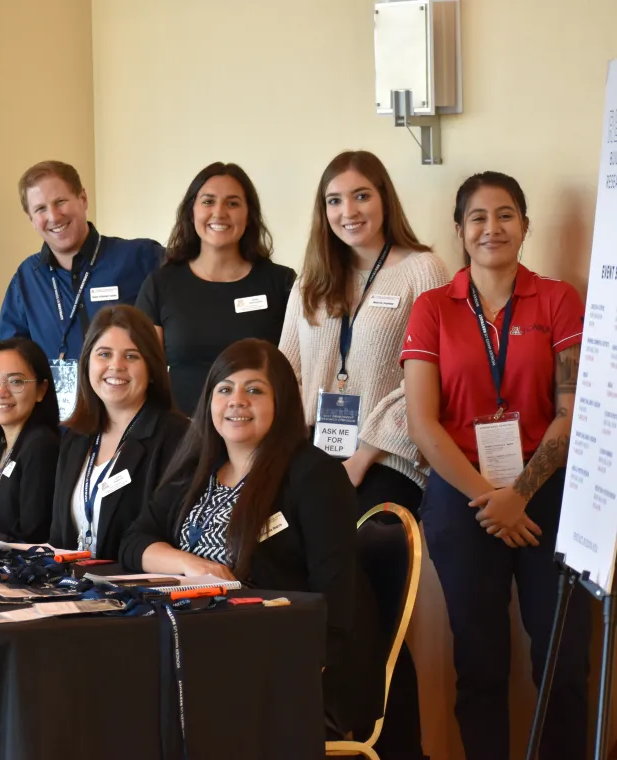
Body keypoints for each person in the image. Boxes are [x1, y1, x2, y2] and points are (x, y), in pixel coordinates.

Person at [403, 172, 589, 760]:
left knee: (564, 660)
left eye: (505, 214)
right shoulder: (433, 308)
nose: (492, 228)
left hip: (550, 491)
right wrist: (491, 496)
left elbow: (571, 410)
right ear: (459, 231)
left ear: (526, 226)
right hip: (463, 497)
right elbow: (423, 424)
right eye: (478, 217)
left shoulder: (558, 300)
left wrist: (521, 493)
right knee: (479, 662)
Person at [120, 339, 384, 737]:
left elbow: (334, 595)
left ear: (282, 403)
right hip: (194, 647)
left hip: (280, 660)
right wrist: (194, 566)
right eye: (224, 389)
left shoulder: (314, 475)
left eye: (255, 390)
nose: (236, 401)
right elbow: (134, 541)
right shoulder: (196, 469)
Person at [278, 150, 444, 759]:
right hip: (315, 463)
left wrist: (366, 453)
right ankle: (320, 729)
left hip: (387, 464)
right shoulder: (313, 279)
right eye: (334, 201)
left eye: (361, 196)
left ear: (384, 199)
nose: (349, 212)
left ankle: (393, 741)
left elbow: (425, 379)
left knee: (371, 602)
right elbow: (288, 371)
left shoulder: (420, 270)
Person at [0, 160, 164, 452]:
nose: (53, 216)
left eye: (61, 201)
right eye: (40, 209)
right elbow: (10, 362)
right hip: (58, 436)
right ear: (30, 217)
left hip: (131, 427)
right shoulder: (27, 278)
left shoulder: (139, 258)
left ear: (83, 198)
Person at [136, 162, 296, 414]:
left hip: (259, 433)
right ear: (192, 211)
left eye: (232, 203)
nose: (219, 212)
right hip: (182, 434)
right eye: (208, 202)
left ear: (249, 214)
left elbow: (295, 371)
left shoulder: (282, 283)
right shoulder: (160, 284)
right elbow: (144, 372)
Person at [49, 305, 187, 559]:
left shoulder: (177, 438)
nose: (116, 366)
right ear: (87, 364)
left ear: (152, 369)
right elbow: (59, 537)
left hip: (136, 593)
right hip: (73, 589)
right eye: (104, 354)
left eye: (131, 356)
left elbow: (163, 534)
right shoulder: (75, 438)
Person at [0, 338, 60, 543]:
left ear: (41, 390)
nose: (1, 392)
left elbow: (33, 536)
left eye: (15, 381)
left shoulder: (41, 445)